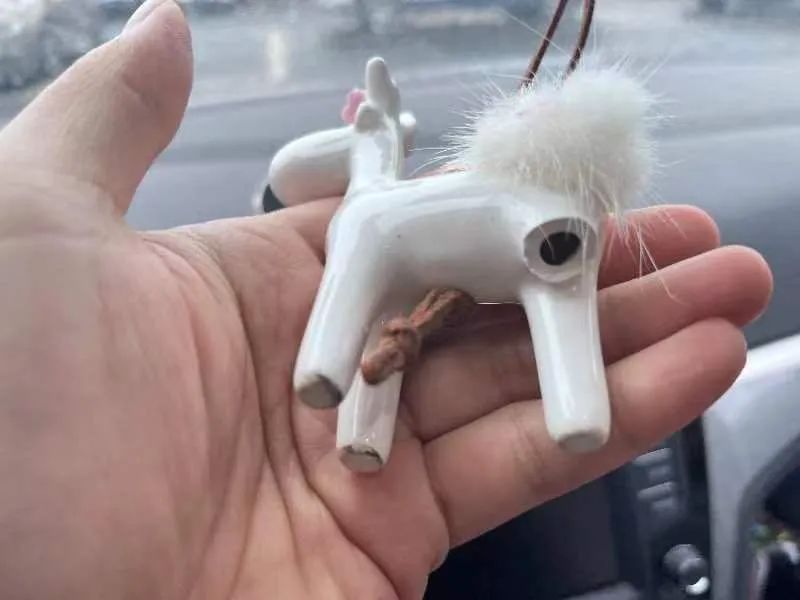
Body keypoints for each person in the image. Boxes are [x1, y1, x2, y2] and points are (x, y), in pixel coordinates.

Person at [0, 0, 773, 598]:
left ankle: (330, 368)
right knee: (432, 310)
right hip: (514, 238)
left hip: (457, 233)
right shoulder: (450, 201)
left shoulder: (375, 212)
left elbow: (375, 239)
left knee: (366, 290)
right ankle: (416, 404)